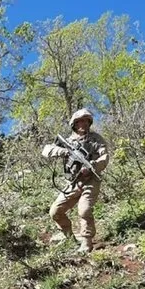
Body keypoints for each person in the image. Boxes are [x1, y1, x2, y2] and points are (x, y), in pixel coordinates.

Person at [42, 108, 109, 253]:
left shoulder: (96, 139)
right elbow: (46, 151)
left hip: (91, 180)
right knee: (55, 212)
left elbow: (104, 157)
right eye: (79, 121)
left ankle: (86, 242)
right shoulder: (68, 141)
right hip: (73, 182)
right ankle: (68, 237)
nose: (82, 124)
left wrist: (93, 166)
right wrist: (63, 151)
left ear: (89, 123)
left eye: (85, 121)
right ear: (74, 123)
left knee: (84, 210)